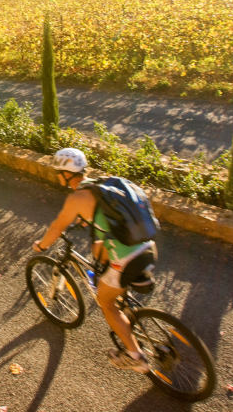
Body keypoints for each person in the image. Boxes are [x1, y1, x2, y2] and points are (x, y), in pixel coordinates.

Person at [32, 147, 158, 373]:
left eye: (58, 172)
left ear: (65, 174)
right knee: (100, 255)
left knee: (106, 303)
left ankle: (134, 355)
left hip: (128, 258)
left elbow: (57, 226)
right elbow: (108, 224)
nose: (57, 176)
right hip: (147, 246)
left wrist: (42, 246)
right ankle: (122, 302)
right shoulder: (102, 186)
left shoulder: (77, 197)